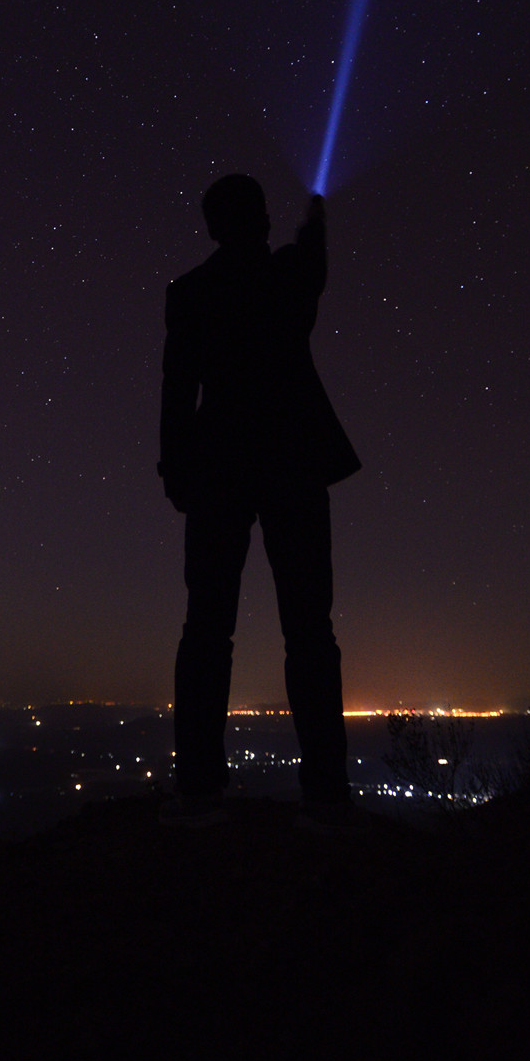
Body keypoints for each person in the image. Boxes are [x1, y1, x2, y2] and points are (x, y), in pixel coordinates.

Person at [159, 174, 361, 823]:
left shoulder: (192, 293)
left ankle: (198, 780)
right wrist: (316, 230)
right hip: (290, 461)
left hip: (219, 467)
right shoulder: (282, 278)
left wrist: (176, 469)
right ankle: (326, 785)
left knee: (207, 628)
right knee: (308, 627)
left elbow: (176, 391)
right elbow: (310, 277)